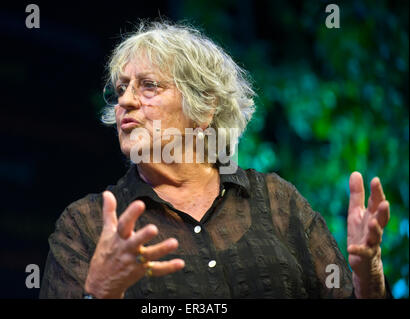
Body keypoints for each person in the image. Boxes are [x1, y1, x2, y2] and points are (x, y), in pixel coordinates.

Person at [39, 21, 393, 299]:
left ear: (204, 107)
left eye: (148, 86)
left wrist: (369, 274)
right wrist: (99, 294)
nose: (125, 102)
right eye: (120, 90)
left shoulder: (277, 201)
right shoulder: (87, 226)